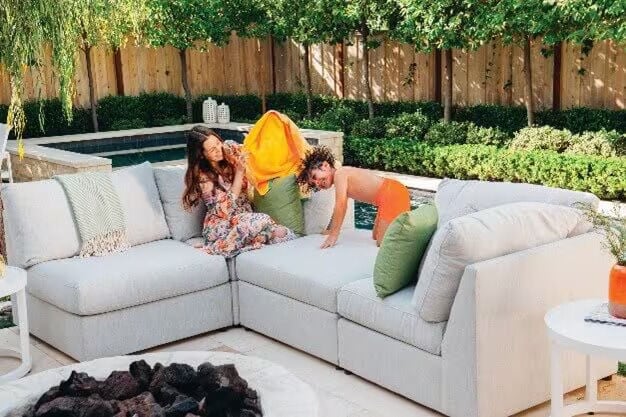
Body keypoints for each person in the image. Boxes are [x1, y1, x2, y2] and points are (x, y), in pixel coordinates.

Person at [183, 126, 296, 258]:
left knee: (284, 234)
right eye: (212, 150)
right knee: (262, 219)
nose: (219, 150)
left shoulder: (229, 151)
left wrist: (254, 138)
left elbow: (252, 153)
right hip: (222, 225)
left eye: (218, 143)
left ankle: (244, 245)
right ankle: (214, 248)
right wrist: (239, 173)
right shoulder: (203, 177)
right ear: (202, 155)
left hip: (245, 219)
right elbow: (225, 208)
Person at [297, 146, 410, 248]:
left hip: (393, 193)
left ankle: (412, 238)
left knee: (383, 242)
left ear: (325, 165)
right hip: (386, 197)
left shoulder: (340, 174)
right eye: (313, 184)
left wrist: (333, 235)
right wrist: (332, 229)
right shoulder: (340, 179)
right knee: (376, 236)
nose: (317, 183)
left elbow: (341, 205)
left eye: (315, 176)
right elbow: (341, 208)